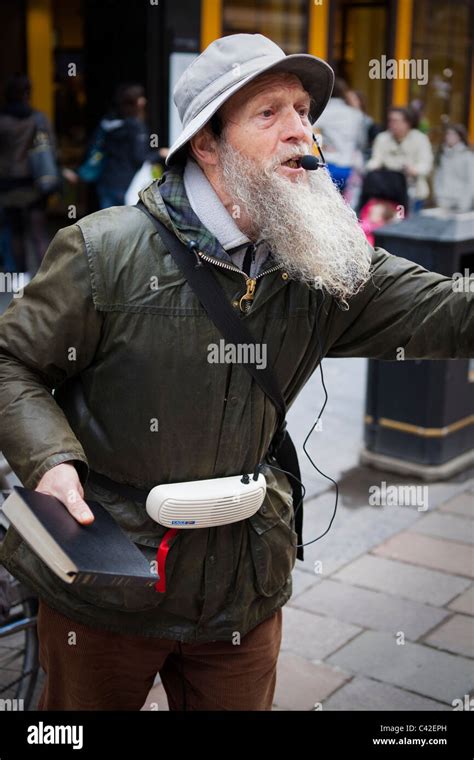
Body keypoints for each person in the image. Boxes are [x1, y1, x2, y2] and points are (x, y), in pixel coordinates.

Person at [0, 33, 472, 712]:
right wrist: (48, 459)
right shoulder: (105, 250)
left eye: (304, 110)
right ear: (207, 143)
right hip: (108, 587)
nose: (300, 132)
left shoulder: (320, 259)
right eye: (269, 113)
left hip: (242, 592)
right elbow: (12, 358)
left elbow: (451, 312)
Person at [0, 74, 56, 277]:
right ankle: (46, 280)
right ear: (27, 93)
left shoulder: (2, 120)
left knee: (15, 232)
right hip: (35, 181)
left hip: (8, 183)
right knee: (39, 233)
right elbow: (51, 148)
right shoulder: (38, 118)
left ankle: (21, 280)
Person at [67, 83, 149, 209]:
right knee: (125, 224)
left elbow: (95, 148)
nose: (144, 100)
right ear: (137, 102)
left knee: (108, 222)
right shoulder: (136, 127)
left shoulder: (107, 122)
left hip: (106, 181)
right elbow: (139, 157)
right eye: (141, 97)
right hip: (127, 183)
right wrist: (159, 154)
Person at [366, 106, 433, 214]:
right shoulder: (382, 138)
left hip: (413, 192)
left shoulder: (420, 139)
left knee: (408, 226)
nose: (392, 124)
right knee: (389, 227)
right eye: (390, 120)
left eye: (395, 121)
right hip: (388, 192)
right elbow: (375, 160)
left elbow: (426, 164)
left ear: (407, 123)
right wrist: (371, 168)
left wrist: (414, 170)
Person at [314, 78, 365, 192]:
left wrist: (322, 145)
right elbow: (361, 141)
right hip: (348, 166)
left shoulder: (325, 110)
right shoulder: (355, 114)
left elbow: (310, 129)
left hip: (329, 163)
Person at [433, 124, 474, 213]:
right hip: (444, 201)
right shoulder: (442, 155)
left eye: (452, 134)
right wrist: (438, 196)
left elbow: (471, 181)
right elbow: (438, 177)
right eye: (447, 134)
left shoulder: (467, 156)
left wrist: (465, 202)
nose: (449, 137)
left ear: (460, 137)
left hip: (462, 203)